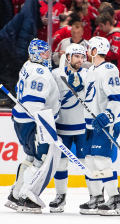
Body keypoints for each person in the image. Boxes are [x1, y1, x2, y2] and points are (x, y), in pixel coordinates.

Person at [5, 39, 60, 214]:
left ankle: (15, 194)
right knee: (40, 160)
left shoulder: (28, 65)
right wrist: (45, 126)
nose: (48, 56)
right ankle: (26, 197)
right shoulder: (40, 72)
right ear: (36, 53)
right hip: (35, 121)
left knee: (29, 158)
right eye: (44, 53)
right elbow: (34, 102)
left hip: (22, 120)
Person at [80, 36, 120, 216]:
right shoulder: (93, 70)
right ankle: (96, 197)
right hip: (90, 124)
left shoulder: (108, 69)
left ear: (94, 51)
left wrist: (107, 115)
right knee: (90, 160)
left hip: (105, 123)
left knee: (101, 160)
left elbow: (117, 99)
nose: (87, 51)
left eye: (89, 48)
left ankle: (114, 199)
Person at [49, 44, 89, 213]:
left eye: (82, 57)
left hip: (82, 128)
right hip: (62, 127)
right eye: (76, 56)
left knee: (89, 164)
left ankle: (95, 197)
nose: (80, 60)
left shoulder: (88, 74)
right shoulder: (55, 74)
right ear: (68, 57)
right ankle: (60, 196)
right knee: (60, 164)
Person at [96, 12, 120, 79]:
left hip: (116, 71)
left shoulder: (116, 36)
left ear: (107, 23)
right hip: (110, 70)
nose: (100, 28)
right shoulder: (110, 36)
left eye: (101, 25)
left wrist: (99, 52)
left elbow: (115, 54)